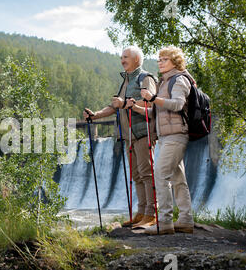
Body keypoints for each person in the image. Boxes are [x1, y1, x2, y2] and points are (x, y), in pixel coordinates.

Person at [83, 46, 157, 229]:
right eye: (121, 57)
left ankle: (152, 213)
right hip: (128, 135)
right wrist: (95, 115)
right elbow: (115, 106)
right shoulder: (125, 81)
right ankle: (141, 213)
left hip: (143, 132)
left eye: (126, 57)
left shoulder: (145, 78)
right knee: (137, 175)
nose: (122, 60)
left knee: (148, 174)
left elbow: (150, 103)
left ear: (137, 60)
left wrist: (125, 103)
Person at [134, 45, 195, 235]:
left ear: (175, 62)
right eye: (159, 59)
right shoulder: (164, 82)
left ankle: (165, 222)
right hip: (167, 137)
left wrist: (153, 98)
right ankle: (185, 220)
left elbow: (177, 104)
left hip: (176, 136)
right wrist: (134, 108)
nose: (160, 62)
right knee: (178, 179)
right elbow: (156, 111)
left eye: (164, 59)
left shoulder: (179, 80)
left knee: (160, 175)